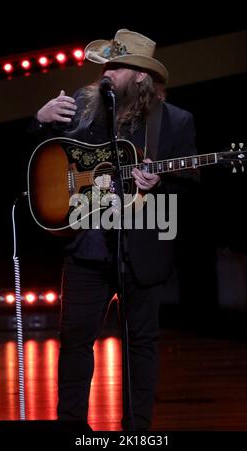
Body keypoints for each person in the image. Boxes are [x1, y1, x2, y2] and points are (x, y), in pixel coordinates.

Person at [30, 29, 199, 431]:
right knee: (75, 341)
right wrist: (38, 121)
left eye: (119, 65)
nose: (109, 71)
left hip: (142, 243)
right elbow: (47, 158)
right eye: (108, 63)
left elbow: (189, 177)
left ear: (141, 76)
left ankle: (137, 429)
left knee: (141, 344)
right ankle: (71, 426)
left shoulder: (175, 121)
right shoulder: (84, 106)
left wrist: (160, 182)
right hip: (88, 244)